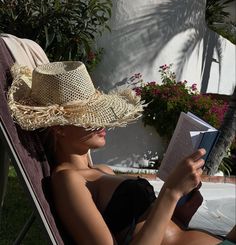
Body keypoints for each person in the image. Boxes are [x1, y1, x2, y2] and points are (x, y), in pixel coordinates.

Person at [8, 61, 236, 245]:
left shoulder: (100, 170)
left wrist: (180, 210)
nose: (103, 123)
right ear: (58, 127)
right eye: (89, 117)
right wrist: (171, 193)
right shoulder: (67, 181)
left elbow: (155, 228)